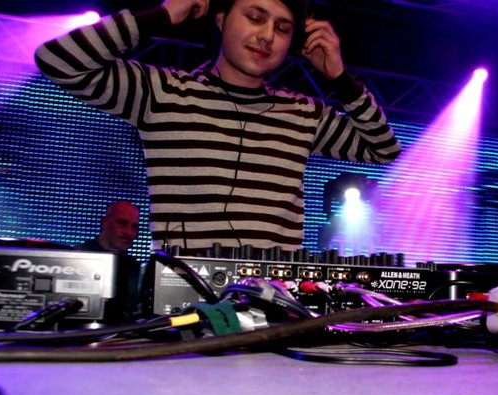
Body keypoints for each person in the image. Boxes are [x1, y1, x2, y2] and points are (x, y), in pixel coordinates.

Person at [35, 0, 401, 255]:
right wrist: (163, 15)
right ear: (222, 19)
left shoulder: (304, 113)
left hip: (277, 310)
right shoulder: (161, 93)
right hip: (186, 310)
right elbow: (57, 60)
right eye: (255, 17)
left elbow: (383, 149)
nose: (267, 35)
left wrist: (340, 79)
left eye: (282, 28)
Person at [77, 201, 141, 324]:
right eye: (122, 223)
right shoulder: (78, 256)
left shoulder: (134, 268)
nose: (129, 232)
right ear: (105, 222)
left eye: (134, 227)